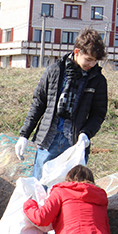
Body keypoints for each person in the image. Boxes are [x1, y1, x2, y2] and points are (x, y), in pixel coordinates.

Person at [14, 28, 108, 180]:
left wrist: (86, 133)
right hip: (48, 141)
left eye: (96, 60)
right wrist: (24, 135)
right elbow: (39, 103)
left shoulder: (98, 80)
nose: (92, 64)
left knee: (70, 191)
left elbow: (98, 113)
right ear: (77, 52)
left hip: (75, 143)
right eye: (89, 59)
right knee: (40, 187)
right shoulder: (55, 71)